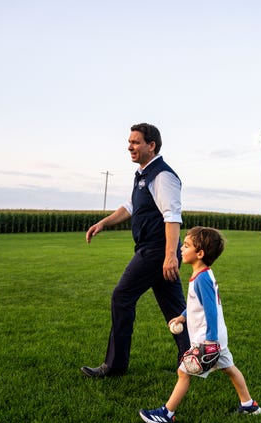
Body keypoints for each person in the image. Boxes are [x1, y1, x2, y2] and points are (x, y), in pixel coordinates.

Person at [81, 123, 191, 378]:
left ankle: (115, 365)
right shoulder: (143, 175)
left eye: (135, 142)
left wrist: (169, 256)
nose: (129, 146)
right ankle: (192, 359)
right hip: (154, 251)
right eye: (129, 142)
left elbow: (172, 216)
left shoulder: (163, 176)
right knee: (175, 309)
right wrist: (103, 223)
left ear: (151, 145)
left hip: (155, 251)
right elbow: (130, 207)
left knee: (122, 296)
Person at [139, 226, 261, 423]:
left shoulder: (202, 278)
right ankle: (249, 405)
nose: (181, 248)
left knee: (183, 373)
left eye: (186, 245)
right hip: (216, 338)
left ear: (200, 253)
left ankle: (166, 414)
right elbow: (198, 304)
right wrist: (182, 317)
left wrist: (210, 340)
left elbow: (211, 310)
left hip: (208, 339)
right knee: (230, 369)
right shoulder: (202, 274)